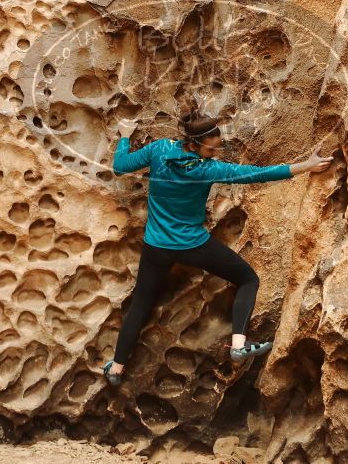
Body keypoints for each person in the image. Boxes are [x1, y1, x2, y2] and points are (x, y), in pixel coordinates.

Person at [101, 109, 333, 386]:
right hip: (192, 245)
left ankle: (116, 369)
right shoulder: (207, 169)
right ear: (195, 144)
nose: (217, 150)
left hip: (156, 247)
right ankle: (238, 344)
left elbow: (120, 165)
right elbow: (257, 174)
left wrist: (125, 137)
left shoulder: (160, 149)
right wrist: (306, 166)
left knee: (140, 305)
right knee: (248, 279)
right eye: (213, 147)